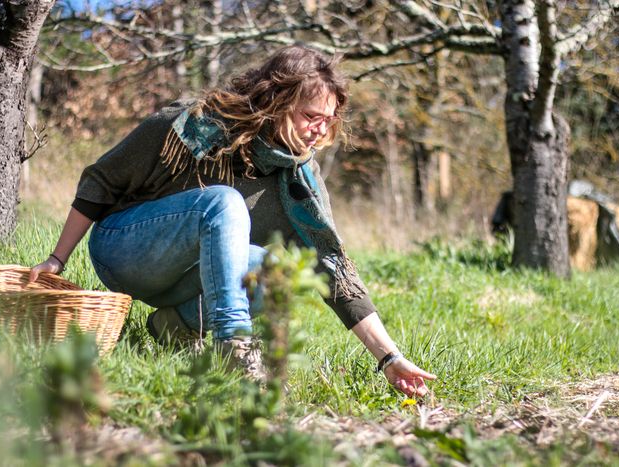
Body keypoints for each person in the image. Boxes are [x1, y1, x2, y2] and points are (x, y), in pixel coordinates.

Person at [29, 45, 436, 395]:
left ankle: (176, 325)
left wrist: (390, 359)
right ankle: (235, 344)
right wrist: (56, 259)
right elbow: (102, 178)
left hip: (191, 281)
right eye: (311, 115)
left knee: (285, 271)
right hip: (126, 252)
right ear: (277, 101)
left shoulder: (300, 185)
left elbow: (334, 271)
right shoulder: (192, 126)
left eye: (328, 120)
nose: (320, 130)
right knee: (223, 203)